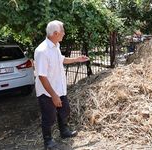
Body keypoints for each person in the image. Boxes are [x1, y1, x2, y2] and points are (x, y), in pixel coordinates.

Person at [34, 20, 89, 149]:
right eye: (62, 31)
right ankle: (48, 141)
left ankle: (64, 132)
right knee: (49, 117)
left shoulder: (56, 45)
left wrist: (76, 59)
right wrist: (53, 95)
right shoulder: (42, 51)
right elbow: (41, 76)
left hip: (59, 88)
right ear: (55, 33)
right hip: (47, 92)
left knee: (64, 111)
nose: (64, 33)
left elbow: (61, 59)